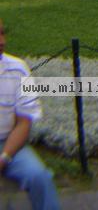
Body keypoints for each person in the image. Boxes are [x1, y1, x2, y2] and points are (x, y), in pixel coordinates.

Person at [0, 18, 61, 210]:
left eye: (2, 33)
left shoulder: (18, 69)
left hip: (9, 144)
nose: (2, 41)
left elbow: (24, 123)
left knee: (39, 177)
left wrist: (4, 158)